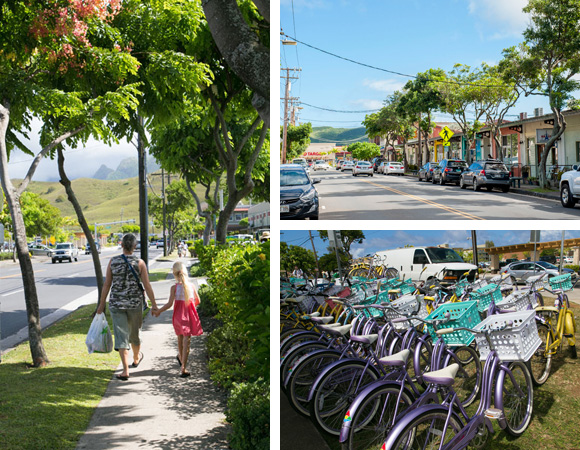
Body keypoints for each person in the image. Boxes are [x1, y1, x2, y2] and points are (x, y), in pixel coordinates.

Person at [96, 233, 158, 380]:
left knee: (121, 335)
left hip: (116, 303)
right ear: (135, 246)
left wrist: (101, 306)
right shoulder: (140, 263)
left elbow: (107, 285)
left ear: (122, 245)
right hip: (134, 304)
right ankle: (136, 358)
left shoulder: (113, 261)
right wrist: (154, 305)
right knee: (134, 334)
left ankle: (125, 370)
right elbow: (147, 286)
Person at [154, 261, 203, 377]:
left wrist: (159, 311)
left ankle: (181, 359)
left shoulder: (174, 288)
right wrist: (190, 306)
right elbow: (198, 301)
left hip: (178, 316)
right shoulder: (191, 286)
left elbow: (169, 304)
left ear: (174, 273)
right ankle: (183, 368)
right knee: (187, 341)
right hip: (189, 316)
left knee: (180, 339)